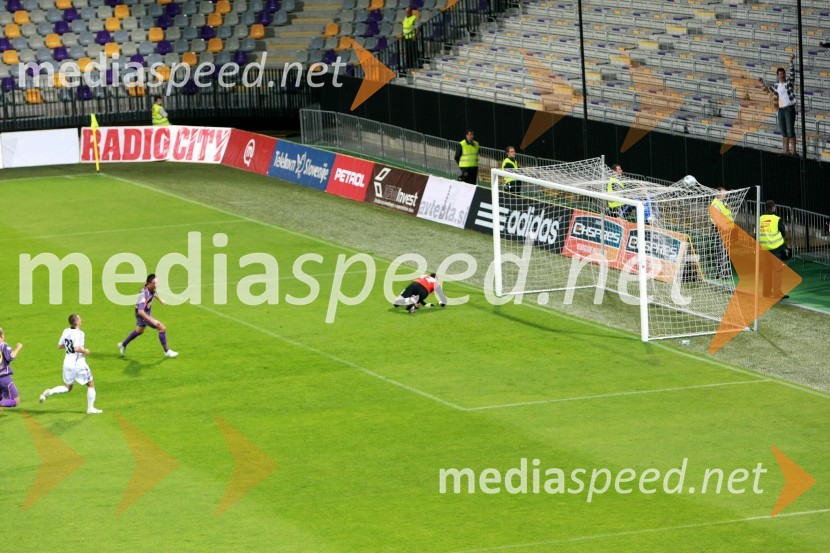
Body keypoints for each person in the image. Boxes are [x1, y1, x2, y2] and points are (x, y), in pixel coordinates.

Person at [39, 314, 102, 414]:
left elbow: (60, 346)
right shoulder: (80, 333)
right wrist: (85, 351)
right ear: (76, 322)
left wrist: (70, 347)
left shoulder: (66, 331)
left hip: (67, 363)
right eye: (79, 319)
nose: (81, 320)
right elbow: (77, 348)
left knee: (67, 387)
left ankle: (49, 392)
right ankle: (90, 408)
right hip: (78, 363)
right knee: (90, 384)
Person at [118, 274, 179, 358]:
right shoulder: (143, 295)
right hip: (143, 314)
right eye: (154, 283)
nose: (156, 285)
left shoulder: (151, 287)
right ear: (149, 283)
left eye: (156, 283)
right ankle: (167, 351)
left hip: (145, 313)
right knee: (162, 328)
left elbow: (153, 293)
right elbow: (140, 312)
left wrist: (160, 299)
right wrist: (151, 320)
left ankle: (123, 345)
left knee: (139, 331)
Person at [758, 55, 796, 155]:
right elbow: (767, 90)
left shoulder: (788, 83)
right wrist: (761, 83)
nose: (782, 75)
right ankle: (786, 151)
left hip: (789, 108)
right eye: (780, 74)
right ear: (777, 75)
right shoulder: (776, 85)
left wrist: (791, 62)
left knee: (790, 131)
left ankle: (794, 151)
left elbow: (792, 74)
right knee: (784, 132)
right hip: (781, 110)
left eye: (783, 73)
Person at [759, 200, 791, 299]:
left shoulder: (760, 218)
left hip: (764, 248)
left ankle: (766, 292)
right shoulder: (777, 219)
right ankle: (777, 293)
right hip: (776, 248)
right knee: (777, 271)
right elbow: (783, 232)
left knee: (767, 271)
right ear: (773, 208)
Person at [710, 187, 735, 279]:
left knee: (725, 252)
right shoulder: (715, 204)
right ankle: (720, 273)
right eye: (724, 193)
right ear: (718, 194)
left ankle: (725, 272)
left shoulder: (724, 203)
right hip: (720, 231)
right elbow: (717, 220)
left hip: (727, 231)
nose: (726, 194)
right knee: (721, 252)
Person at [0, 328, 22, 411]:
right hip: (4, 378)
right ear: (1, 336)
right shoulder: (3, 345)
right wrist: (18, 347)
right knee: (16, 401)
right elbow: (10, 357)